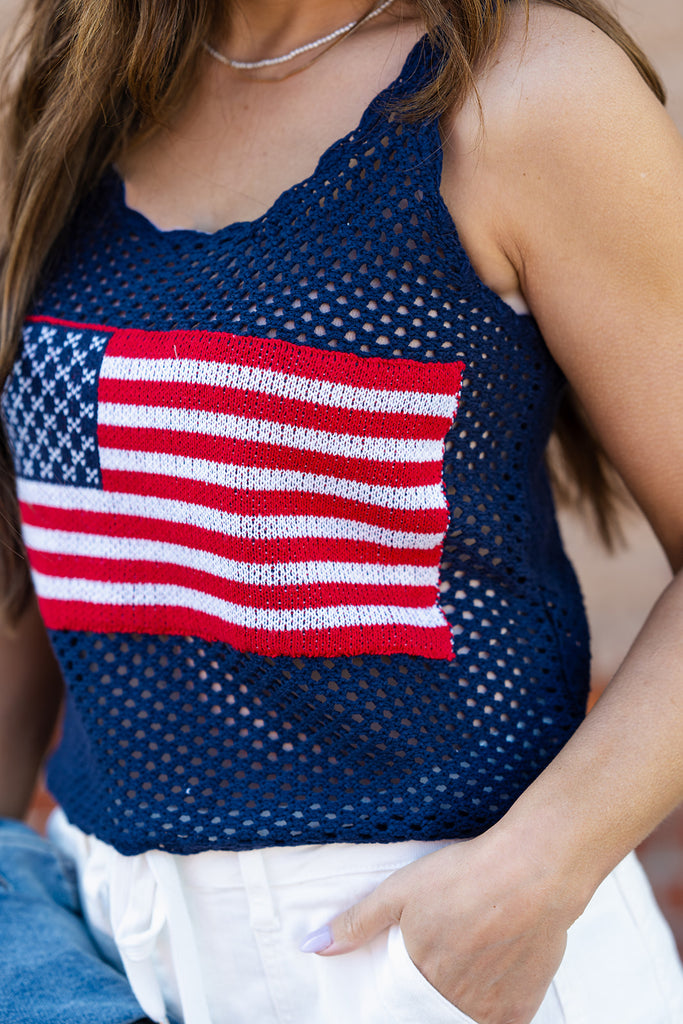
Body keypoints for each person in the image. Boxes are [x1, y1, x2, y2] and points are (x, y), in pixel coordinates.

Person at [0, 0, 682, 1022]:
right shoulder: (77, 91)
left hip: (429, 944)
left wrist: (536, 870)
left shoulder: (526, 90)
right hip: (103, 949)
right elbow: (42, 548)